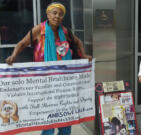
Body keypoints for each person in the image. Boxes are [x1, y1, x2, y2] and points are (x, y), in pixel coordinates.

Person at [6, 2, 92, 135]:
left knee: (66, 117)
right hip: (46, 84)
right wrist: (13, 56)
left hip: (64, 84)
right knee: (48, 118)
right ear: (48, 14)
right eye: (54, 13)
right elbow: (22, 44)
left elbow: (78, 42)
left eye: (60, 14)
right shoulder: (38, 30)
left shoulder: (65, 31)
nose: (57, 16)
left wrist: (84, 55)